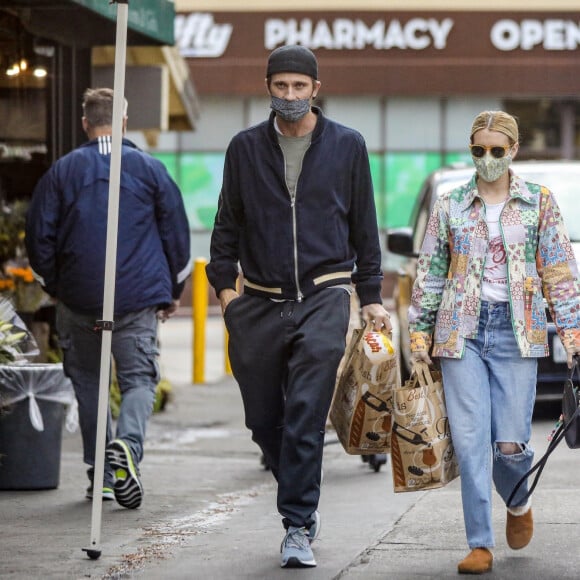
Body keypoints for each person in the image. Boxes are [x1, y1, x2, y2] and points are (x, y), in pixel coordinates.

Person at [206, 45, 390, 569]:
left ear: (316, 87)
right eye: (281, 86)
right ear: (268, 86)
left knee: (307, 410)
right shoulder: (243, 148)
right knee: (264, 419)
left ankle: (297, 525)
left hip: (326, 292)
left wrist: (370, 296)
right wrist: (226, 293)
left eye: (299, 86)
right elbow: (227, 224)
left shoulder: (347, 146)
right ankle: (298, 494)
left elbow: (364, 225)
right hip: (258, 300)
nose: (290, 96)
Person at [409, 110, 580, 574]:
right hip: (460, 331)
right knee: (469, 442)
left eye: (496, 151)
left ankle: (519, 502)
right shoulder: (450, 205)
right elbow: (430, 274)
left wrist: (573, 334)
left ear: (514, 151)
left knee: (511, 444)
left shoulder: (538, 202)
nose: (487, 159)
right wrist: (419, 332)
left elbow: (560, 273)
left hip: (517, 330)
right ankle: (480, 542)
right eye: (478, 150)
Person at [25, 88, 191, 509]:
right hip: (136, 298)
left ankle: (100, 474)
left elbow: (38, 238)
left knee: (89, 382)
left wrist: (56, 287)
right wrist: (172, 290)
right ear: (123, 120)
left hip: (78, 298)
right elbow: (176, 235)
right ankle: (127, 451)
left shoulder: (61, 172)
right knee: (139, 378)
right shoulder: (151, 170)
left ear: (85, 122)